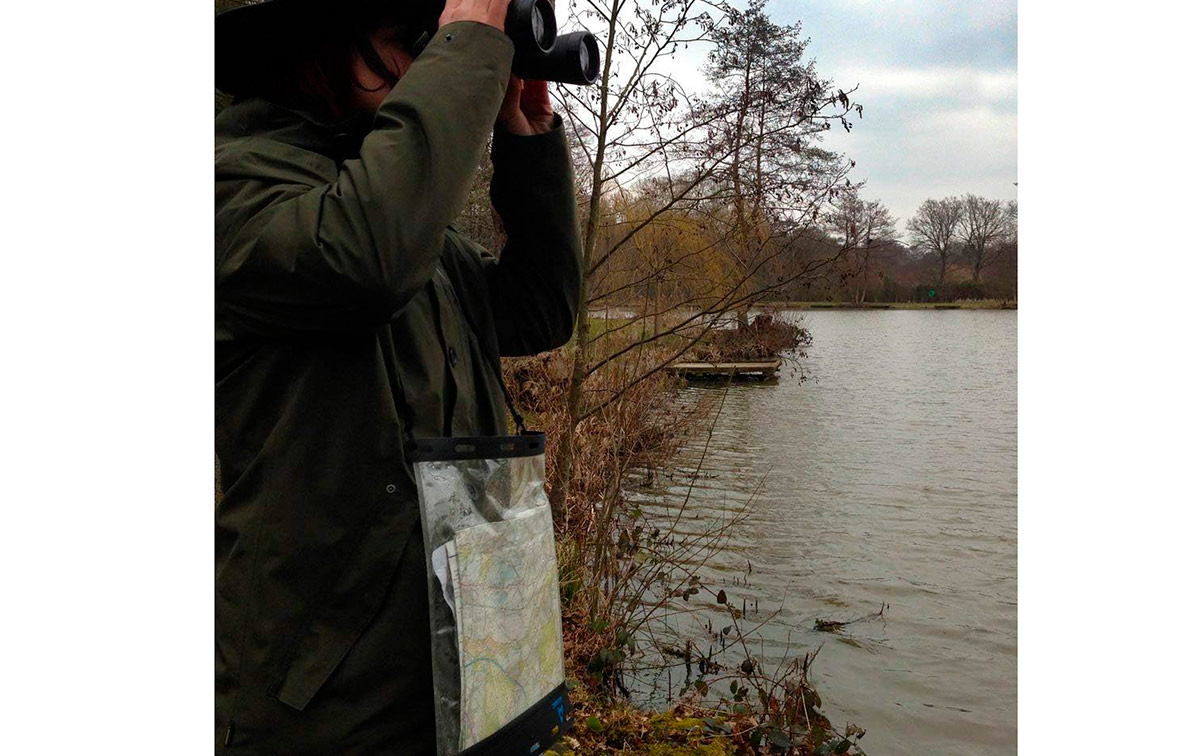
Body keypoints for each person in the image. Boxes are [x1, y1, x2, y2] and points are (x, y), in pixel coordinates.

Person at [214, 0, 582, 752]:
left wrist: (524, 134)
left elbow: (538, 311)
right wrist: (470, 40)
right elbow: (365, 260)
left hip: (457, 657)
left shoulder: (411, 230)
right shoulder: (233, 184)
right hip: (325, 692)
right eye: (411, 40)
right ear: (318, 44)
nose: (430, 58)